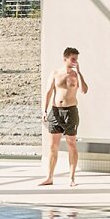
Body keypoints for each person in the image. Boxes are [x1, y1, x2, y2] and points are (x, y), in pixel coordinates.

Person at [38, 46, 88, 186]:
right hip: (55, 112)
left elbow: (84, 90)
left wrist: (79, 73)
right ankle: (49, 177)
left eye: (76, 59)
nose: (75, 61)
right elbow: (48, 92)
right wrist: (44, 110)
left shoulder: (75, 75)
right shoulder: (55, 73)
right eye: (73, 59)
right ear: (65, 58)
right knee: (53, 146)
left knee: (71, 144)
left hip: (70, 112)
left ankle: (72, 178)